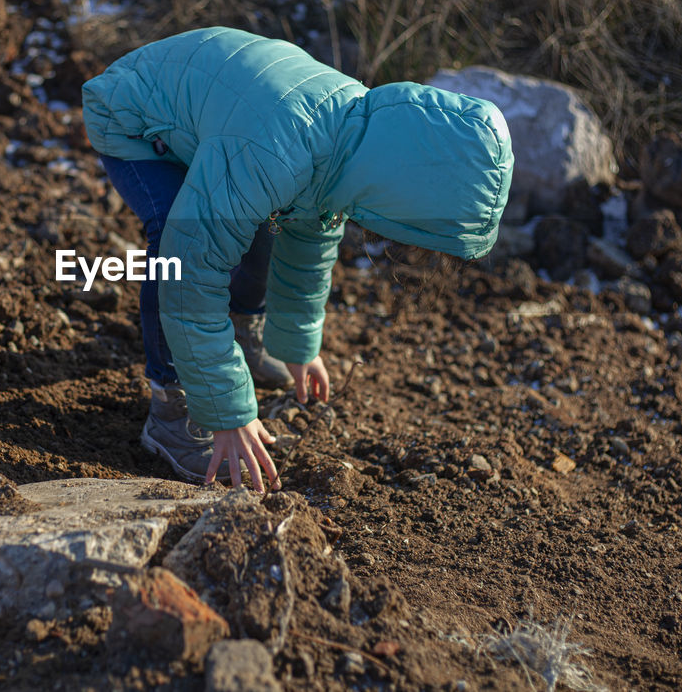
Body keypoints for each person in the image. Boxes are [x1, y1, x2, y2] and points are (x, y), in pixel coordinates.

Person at [81, 27, 513, 492]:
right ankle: (173, 406)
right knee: (178, 247)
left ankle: (244, 339)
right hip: (137, 118)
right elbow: (192, 273)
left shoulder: (354, 144)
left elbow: (308, 249)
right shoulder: (278, 152)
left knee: (259, 222)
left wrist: (299, 346)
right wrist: (228, 413)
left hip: (221, 116)